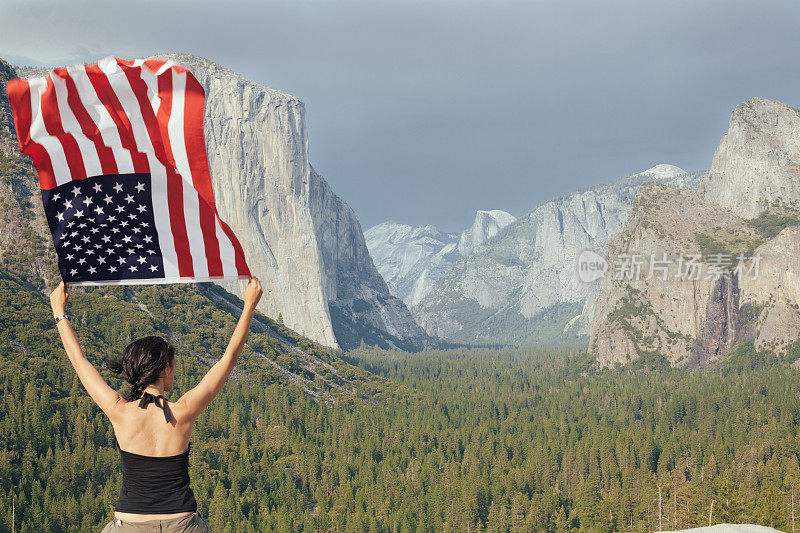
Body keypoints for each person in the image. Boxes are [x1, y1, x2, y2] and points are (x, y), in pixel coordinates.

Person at [49, 277, 263, 533]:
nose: (175, 370)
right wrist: (249, 305)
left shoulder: (119, 410)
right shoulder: (183, 412)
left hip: (129, 525)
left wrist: (59, 313)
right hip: (183, 525)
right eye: (173, 365)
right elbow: (228, 359)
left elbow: (79, 361)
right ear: (164, 368)